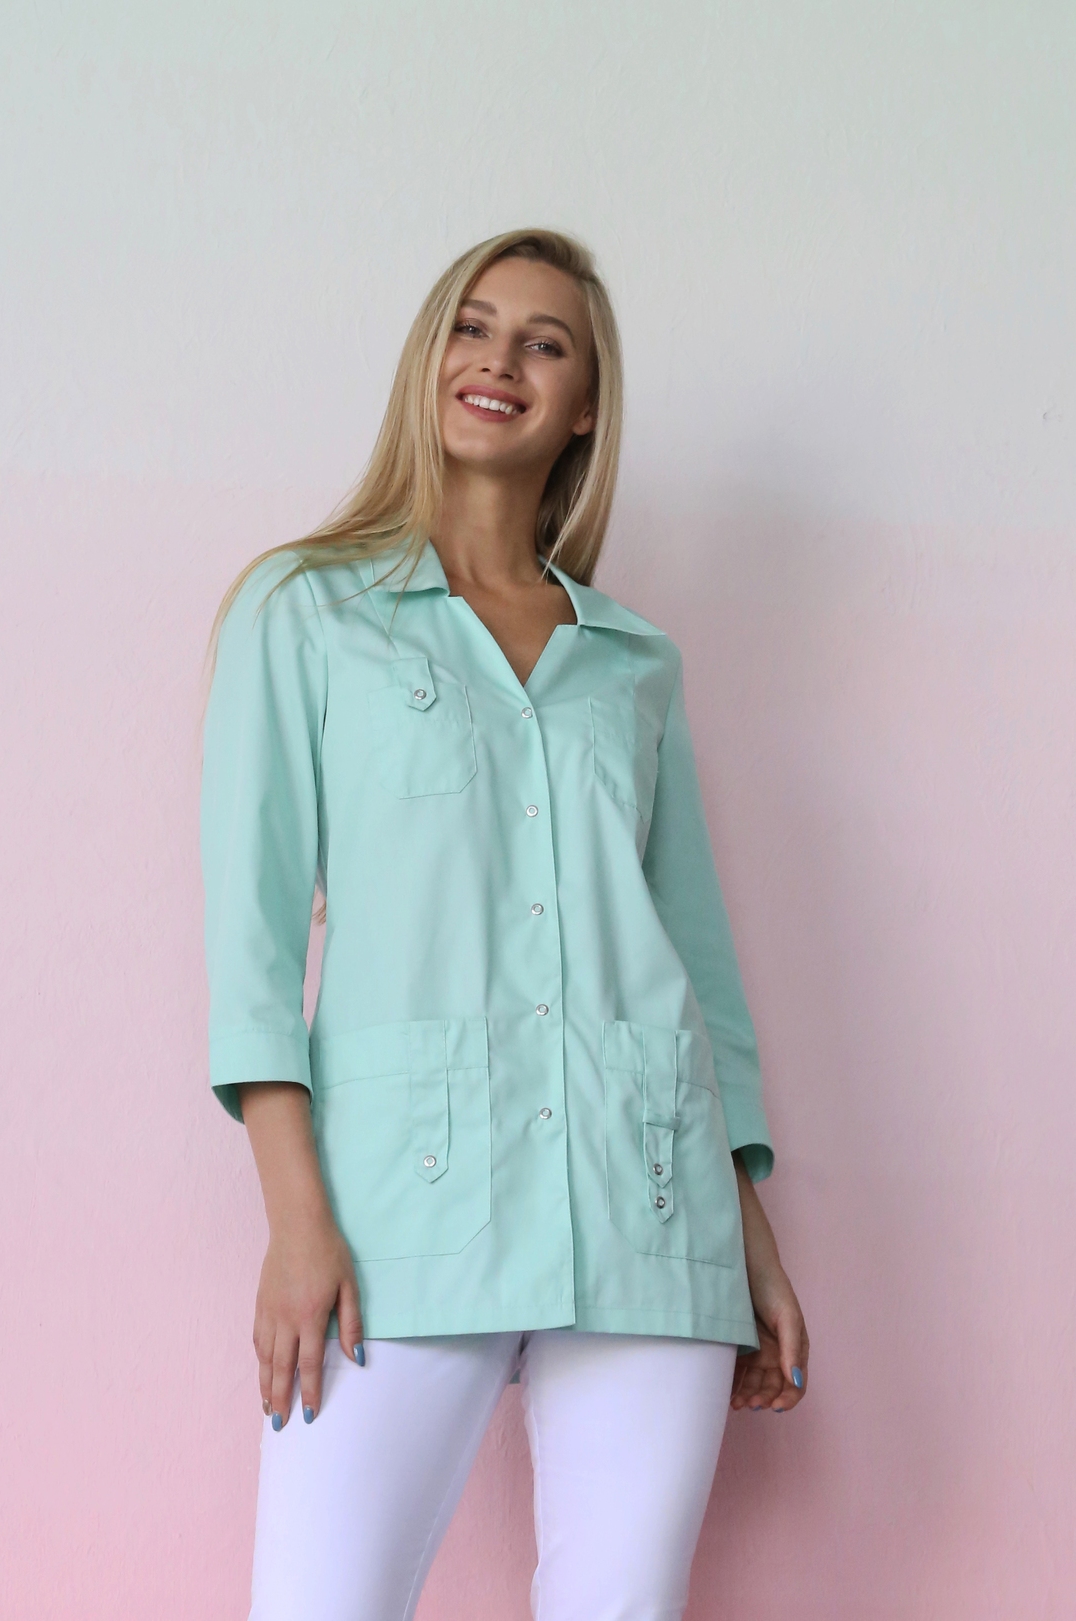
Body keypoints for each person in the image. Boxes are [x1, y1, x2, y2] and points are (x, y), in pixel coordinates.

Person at [200, 228, 809, 1621]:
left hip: (649, 1205)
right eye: (473, 327)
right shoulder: (305, 613)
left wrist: (747, 1229)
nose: (501, 360)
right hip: (395, 1212)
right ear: (432, 360)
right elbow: (251, 945)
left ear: (584, 402)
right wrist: (297, 1222)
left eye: (546, 342)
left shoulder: (633, 663)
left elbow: (692, 960)